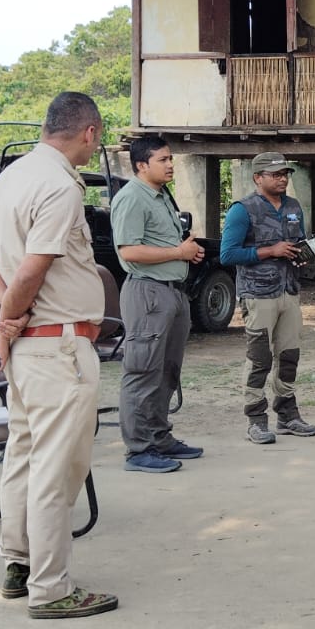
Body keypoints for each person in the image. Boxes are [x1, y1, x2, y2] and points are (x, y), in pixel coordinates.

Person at [0, 91, 116, 619]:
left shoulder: (9, 179)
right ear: (90, 133)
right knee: (58, 469)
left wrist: (7, 323)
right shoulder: (59, 186)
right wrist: (10, 320)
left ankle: (18, 562)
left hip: (33, 352)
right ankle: (51, 587)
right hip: (57, 346)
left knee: (24, 457)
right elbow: (32, 270)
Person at [110, 135, 204, 474]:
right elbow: (129, 251)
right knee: (142, 370)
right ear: (141, 165)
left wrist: (186, 250)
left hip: (171, 291)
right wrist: (178, 253)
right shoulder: (132, 198)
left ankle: (159, 438)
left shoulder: (160, 194)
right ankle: (138, 450)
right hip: (147, 293)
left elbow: (160, 243)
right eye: (162, 159)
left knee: (167, 370)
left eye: (170, 158)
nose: (170, 164)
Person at [220, 151, 315, 444]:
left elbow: (297, 239)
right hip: (258, 294)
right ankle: (256, 419)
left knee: (289, 356)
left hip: (289, 291)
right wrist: (269, 251)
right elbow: (227, 254)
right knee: (259, 358)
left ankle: (287, 415)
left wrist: (301, 255)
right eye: (275, 174)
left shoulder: (293, 206)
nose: (282, 179)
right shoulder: (243, 210)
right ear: (257, 178)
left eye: (285, 174)